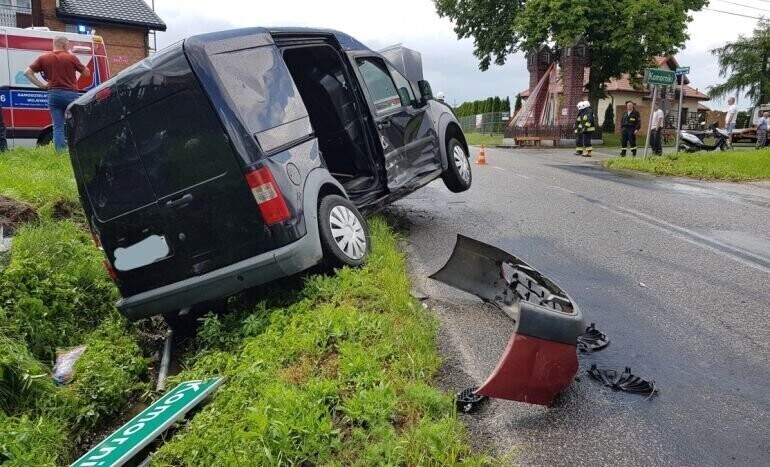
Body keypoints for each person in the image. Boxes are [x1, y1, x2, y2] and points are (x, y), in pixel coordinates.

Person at [24, 36, 90, 152]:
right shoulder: (71, 57)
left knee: (58, 127)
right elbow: (87, 73)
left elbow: (27, 73)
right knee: (75, 124)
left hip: (53, 94)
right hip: (70, 94)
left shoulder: (44, 58)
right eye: (68, 45)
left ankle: (60, 153)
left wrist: (42, 86)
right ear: (64, 45)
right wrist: (72, 57)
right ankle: (76, 151)